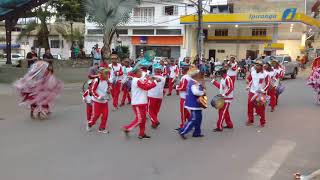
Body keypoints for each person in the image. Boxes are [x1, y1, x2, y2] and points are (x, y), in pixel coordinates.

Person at [122, 68, 159, 139]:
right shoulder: (137, 80)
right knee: (140, 119)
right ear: (136, 73)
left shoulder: (139, 80)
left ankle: (142, 134)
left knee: (143, 119)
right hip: (137, 103)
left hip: (142, 102)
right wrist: (155, 82)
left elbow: (146, 83)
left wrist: (151, 80)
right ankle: (127, 128)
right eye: (140, 72)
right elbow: (146, 87)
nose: (141, 73)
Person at [179, 66, 206, 139]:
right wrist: (203, 92)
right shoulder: (193, 83)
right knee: (194, 119)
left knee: (199, 119)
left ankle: (197, 132)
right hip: (194, 104)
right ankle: (183, 131)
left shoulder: (194, 81)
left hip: (197, 104)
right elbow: (196, 92)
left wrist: (202, 84)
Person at [246, 60, 270, 127]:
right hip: (252, 92)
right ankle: (250, 120)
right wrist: (248, 84)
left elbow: (268, 84)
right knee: (249, 106)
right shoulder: (252, 72)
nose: (256, 66)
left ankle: (262, 122)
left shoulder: (265, 74)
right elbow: (251, 80)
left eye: (258, 65)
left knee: (261, 108)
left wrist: (263, 90)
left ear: (261, 66)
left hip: (261, 93)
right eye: (255, 65)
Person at [87, 69, 111, 133]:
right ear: (102, 74)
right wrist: (98, 97)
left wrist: (109, 89)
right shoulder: (97, 80)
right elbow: (92, 90)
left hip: (104, 101)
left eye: (108, 74)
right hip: (97, 101)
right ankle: (90, 124)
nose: (108, 76)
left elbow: (109, 86)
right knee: (96, 115)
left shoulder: (107, 80)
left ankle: (102, 128)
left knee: (105, 115)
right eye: (106, 74)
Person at [147, 64, 166, 129]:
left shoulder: (151, 77)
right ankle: (153, 123)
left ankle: (155, 121)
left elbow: (147, 84)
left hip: (152, 96)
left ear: (154, 70)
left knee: (149, 110)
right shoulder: (163, 78)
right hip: (159, 97)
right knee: (155, 111)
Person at [175, 65, 191, 130]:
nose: (181, 71)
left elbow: (183, 88)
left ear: (185, 70)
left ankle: (183, 126)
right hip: (187, 96)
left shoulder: (185, 77)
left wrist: (176, 87)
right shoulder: (189, 77)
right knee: (186, 112)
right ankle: (192, 122)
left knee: (183, 112)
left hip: (184, 97)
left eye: (182, 69)